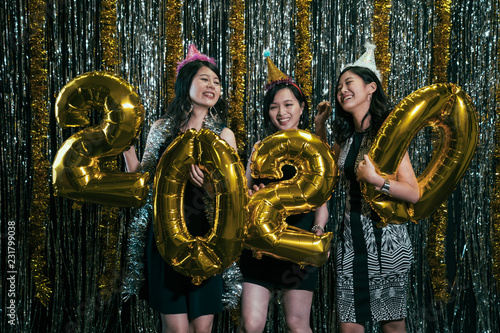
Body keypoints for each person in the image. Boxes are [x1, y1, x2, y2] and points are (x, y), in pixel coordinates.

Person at [123, 44, 237, 333]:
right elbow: (141, 180)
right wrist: (126, 148)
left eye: (217, 82)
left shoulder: (225, 135)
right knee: (175, 329)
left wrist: (212, 189)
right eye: (204, 79)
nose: (212, 86)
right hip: (164, 237)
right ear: (186, 83)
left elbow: (234, 198)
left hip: (207, 238)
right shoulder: (161, 128)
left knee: (202, 328)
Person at [315, 43, 420, 333]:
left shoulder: (389, 135)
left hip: (387, 242)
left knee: (392, 325)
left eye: (349, 83)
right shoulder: (347, 138)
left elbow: (413, 192)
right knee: (349, 326)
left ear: (371, 87)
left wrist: (377, 181)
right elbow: (323, 169)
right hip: (351, 242)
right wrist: (320, 125)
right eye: (339, 87)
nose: (342, 91)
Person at [238, 55, 329, 333]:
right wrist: (253, 194)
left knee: (297, 323)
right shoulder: (259, 148)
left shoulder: (316, 148)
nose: (281, 113)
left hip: (299, 243)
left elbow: (323, 202)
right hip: (259, 246)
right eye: (274, 107)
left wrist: (318, 228)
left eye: (288, 105)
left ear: (301, 108)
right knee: (252, 325)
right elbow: (241, 194)